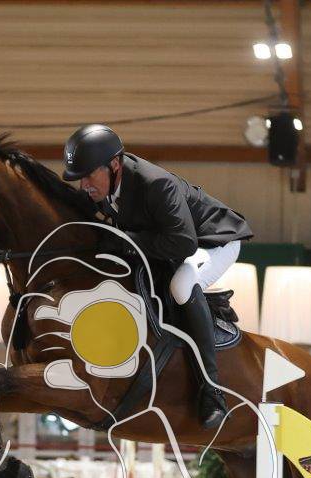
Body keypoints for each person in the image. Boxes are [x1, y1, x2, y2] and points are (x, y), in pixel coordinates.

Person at [62, 124, 254, 430]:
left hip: (214, 241)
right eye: (79, 177)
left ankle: (212, 392)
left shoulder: (155, 184)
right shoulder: (103, 187)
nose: (83, 185)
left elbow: (183, 243)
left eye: (88, 175)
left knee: (181, 285)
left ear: (114, 164)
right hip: (170, 243)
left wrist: (125, 240)